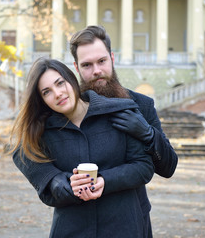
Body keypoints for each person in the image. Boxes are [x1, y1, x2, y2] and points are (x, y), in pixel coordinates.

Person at [10, 57, 154, 237]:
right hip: (71, 229)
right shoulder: (43, 131)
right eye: (47, 92)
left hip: (123, 226)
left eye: (60, 83)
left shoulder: (118, 112)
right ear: (41, 99)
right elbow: (21, 153)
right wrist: (58, 181)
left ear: (71, 79)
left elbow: (143, 167)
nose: (58, 93)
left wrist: (105, 180)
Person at [69, 25, 178, 179]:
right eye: (87, 65)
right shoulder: (67, 108)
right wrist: (54, 180)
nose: (96, 70)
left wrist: (148, 134)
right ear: (77, 67)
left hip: (129, 203)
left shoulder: (142, 105)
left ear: (112, 59)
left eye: (102, 61)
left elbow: (169, 168)